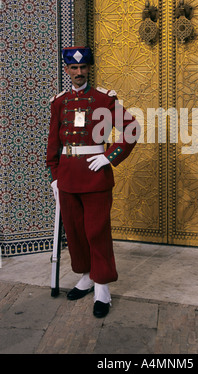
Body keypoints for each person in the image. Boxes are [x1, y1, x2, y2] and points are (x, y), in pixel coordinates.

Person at [46, 46, 139, 318]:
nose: (78, 72)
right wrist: (54, 175)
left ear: (89, 68)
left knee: (96, 232)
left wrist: (109, 158)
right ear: (66, 70)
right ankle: (86, 277)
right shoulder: (59, 102)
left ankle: (102, 289)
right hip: (67, 176)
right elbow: (54, 142)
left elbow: (131, 129)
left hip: (95, 174)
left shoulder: (103, 98)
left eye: (83, 67)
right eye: (73, 68)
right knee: (75, 233)